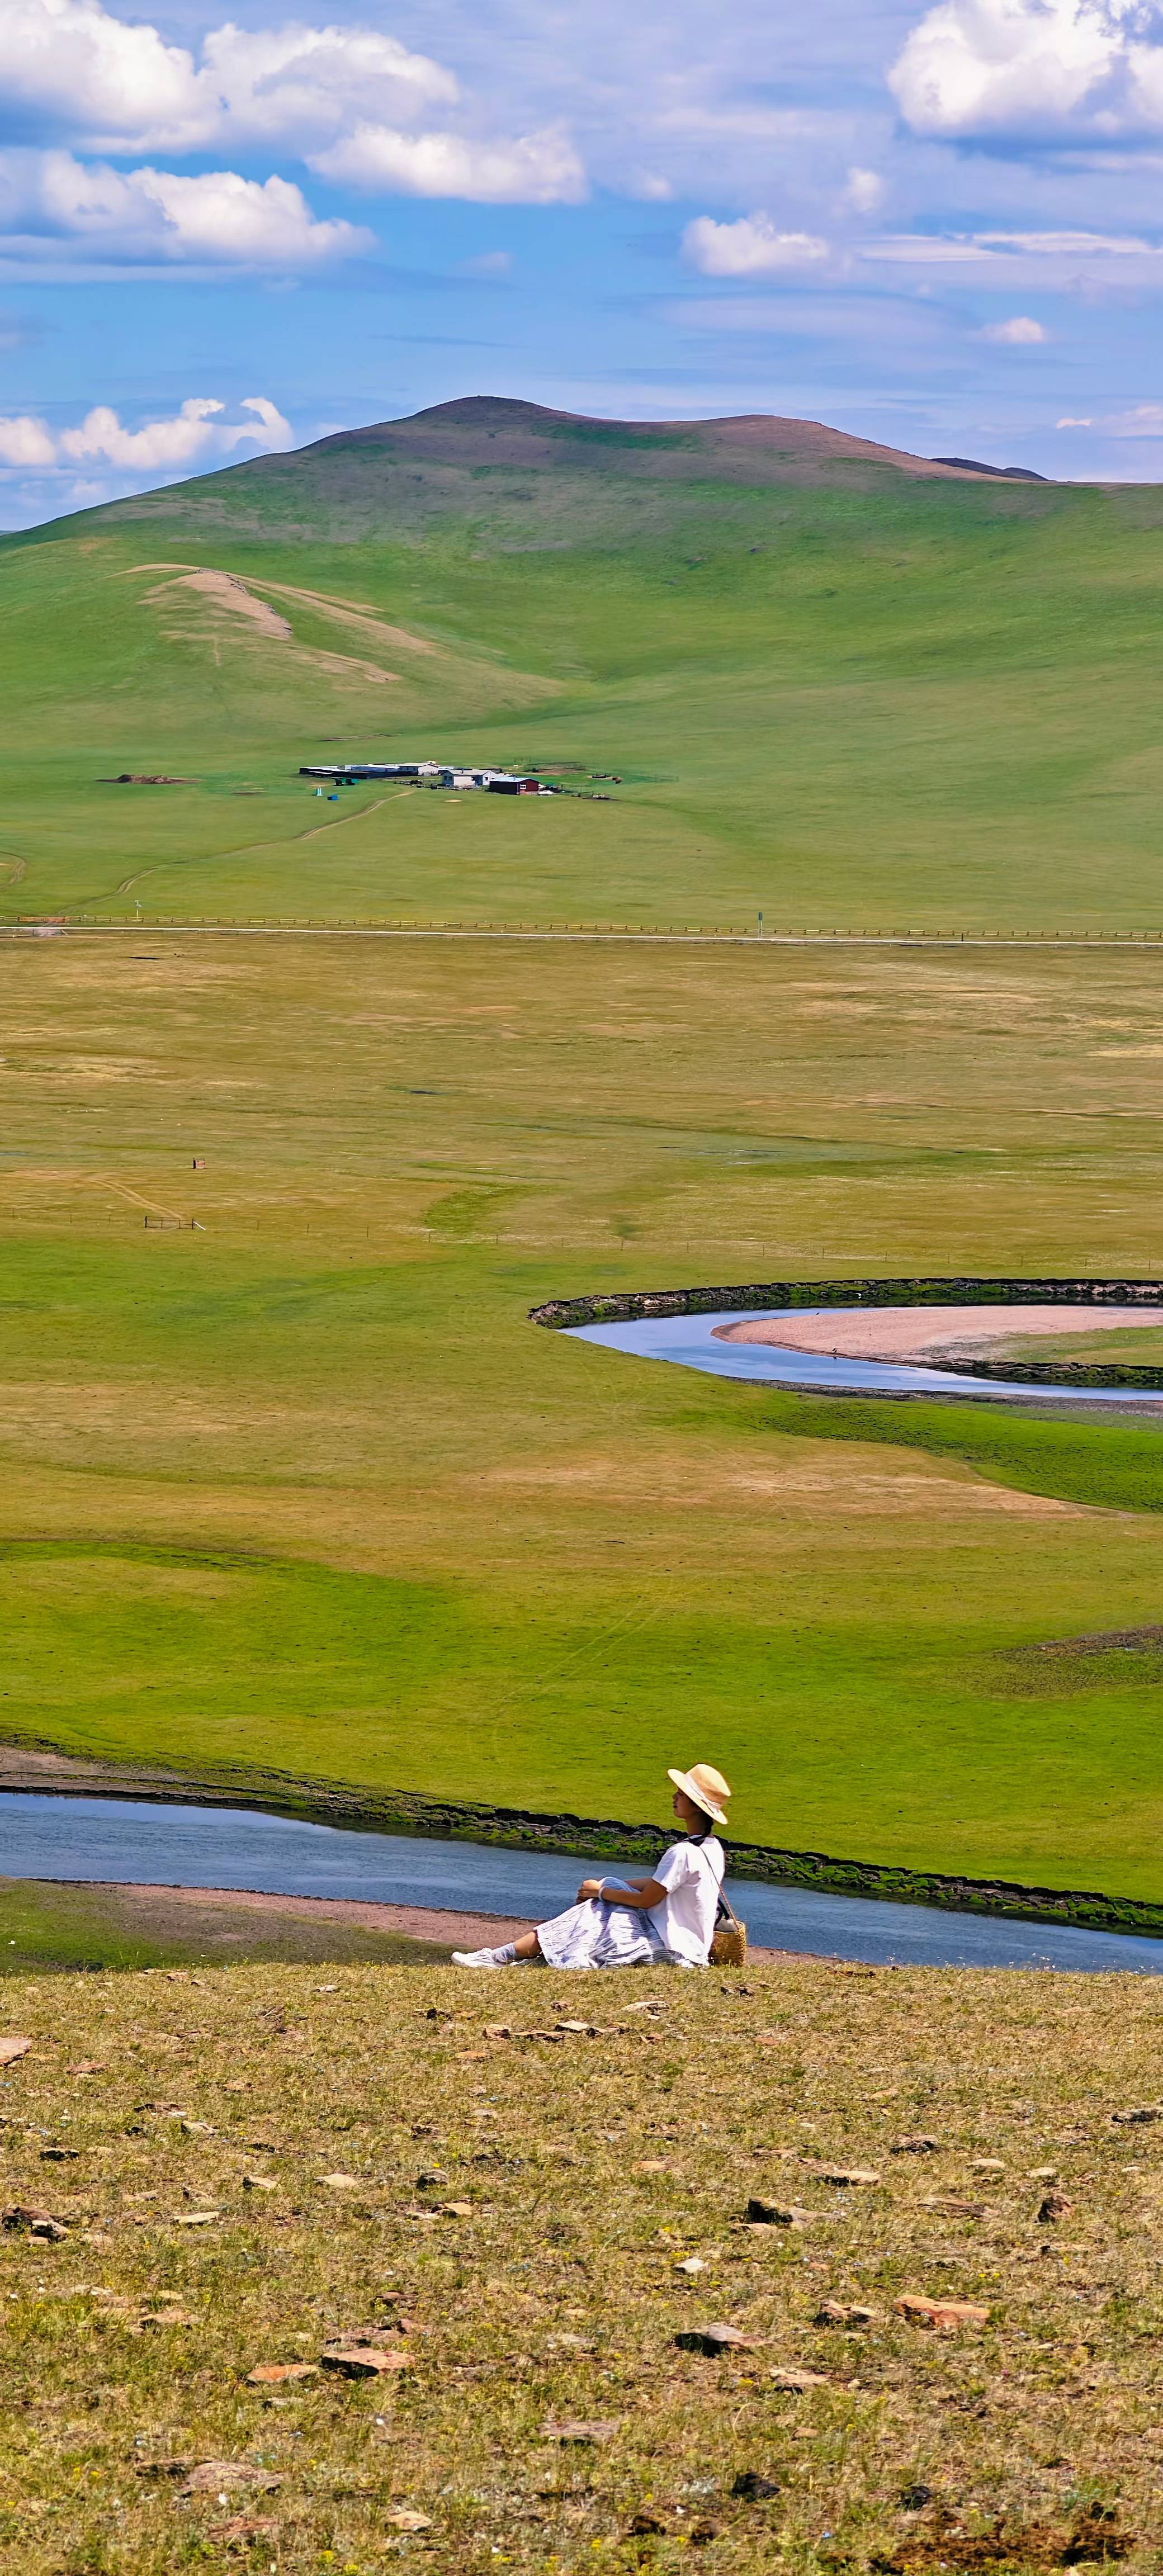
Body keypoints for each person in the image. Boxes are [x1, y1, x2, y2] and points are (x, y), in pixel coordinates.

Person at [451, 1763, 732, 1971]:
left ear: (695, 1807)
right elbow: (662, 1885)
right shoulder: (712, 1848)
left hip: (671, 1948)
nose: (674, 1797)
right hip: (692, 1948)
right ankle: (511, 1955)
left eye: (680, 1794)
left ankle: (502, 1956)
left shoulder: (682, 1851)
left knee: (594, 1911)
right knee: (603, 1897)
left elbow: (649, 1900)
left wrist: (600, 1893)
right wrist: (609, 1885)